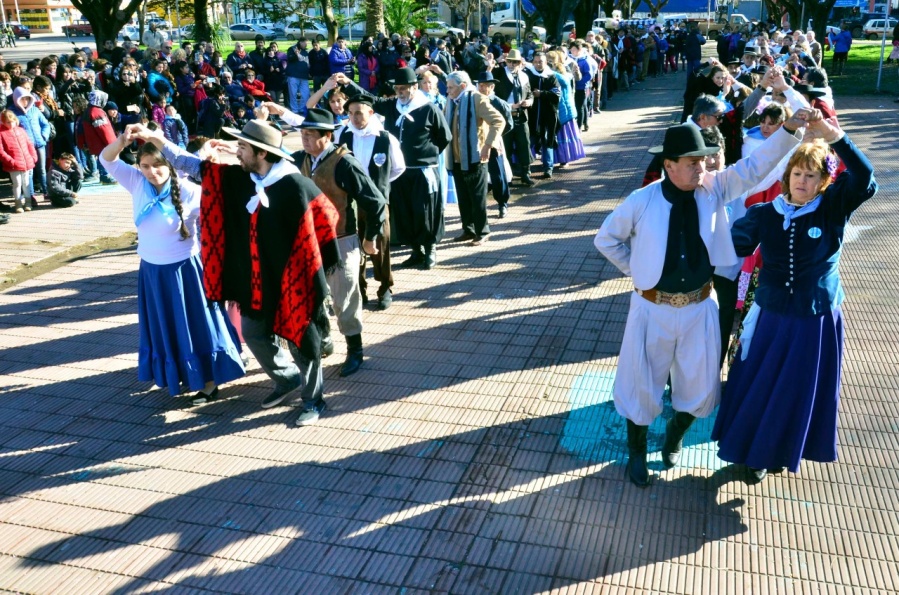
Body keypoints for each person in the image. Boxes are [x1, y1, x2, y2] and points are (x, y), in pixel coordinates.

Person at [593, 111, 810, 488]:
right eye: (692, 162)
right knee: (639, 384)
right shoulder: (641, 200)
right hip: (651, 308)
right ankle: (637, 452)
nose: (701, 166)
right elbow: (606, 239)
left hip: (699, 306)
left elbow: (754, 167)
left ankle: (674, 436)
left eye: (703, 159)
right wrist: (639, 272)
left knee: (701, 388)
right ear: (669, 165)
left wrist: (789, 131)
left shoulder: (714, 189)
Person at [135, 119, 341, 425]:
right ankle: (286, 379)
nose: (237, 152)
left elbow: (327, 216)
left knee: (301, 338)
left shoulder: (294, 184)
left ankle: (314, 400)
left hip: (291, 279)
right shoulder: (243, 178)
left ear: (261, 153)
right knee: (253, 332)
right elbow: (190, 165)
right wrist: (157, 138)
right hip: (255, 280)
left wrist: (312, 261)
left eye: (243, 147)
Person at [713, 116, 877, 482]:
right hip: (771, 315)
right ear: (787, 176)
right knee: (759, 384)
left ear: (824, 182)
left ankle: (780, 450)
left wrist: (837, 138)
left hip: (814, 318)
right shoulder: (764, 215)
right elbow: (722, 246)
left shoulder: (833, 209)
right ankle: (751, 453)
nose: (803, 182)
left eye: (812, 176)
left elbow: (865, 179)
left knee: (794, 391)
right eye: (798, 174)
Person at [99, 127, 245, 404]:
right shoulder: (136, 182)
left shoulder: (190, 191)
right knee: (166, 327)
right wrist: (122, 140)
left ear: (168, 165)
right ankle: (177, 373)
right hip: (152, 272)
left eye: (157, 166)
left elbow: (217, 225)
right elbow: (106, 160)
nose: (151, 172)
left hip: (185, 272)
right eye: (145, 166)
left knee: (195, 327)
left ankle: (210, 381)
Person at [290, 108, 388, 377]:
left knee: (344, 298)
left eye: (310, 135)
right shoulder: (300, 159)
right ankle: (324, 340)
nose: (305, 140)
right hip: (309, 242)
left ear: (327, 136)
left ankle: (355, 350)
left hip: (341, 240)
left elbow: (376, 201)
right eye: (303, 134)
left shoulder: (344, 162)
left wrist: (369, 239)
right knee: (313, 297)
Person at [335, 68, 452, 270]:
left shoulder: (428, 108)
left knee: (424, 211)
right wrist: (347, 83)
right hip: (399, 171)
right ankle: (416, 250)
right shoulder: (392, 106)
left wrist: (427, 153)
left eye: (404, 88)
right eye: (397, 88)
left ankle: (430, 248)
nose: (400, 91)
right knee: (404, 212)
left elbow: (444, 137)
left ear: (415, 87)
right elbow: (370, 99)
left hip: (423, 169)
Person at [331, 95, 405, 310]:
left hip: (376, 203)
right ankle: (360, 289)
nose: (354, 117)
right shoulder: (342, 135)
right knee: (353, 247)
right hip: (349, 202)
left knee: (380, 245)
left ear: (371, 113)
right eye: (351, 113)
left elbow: (398, 168)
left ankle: (385, 289)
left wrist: (376, 189)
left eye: (359, 112)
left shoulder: (385, 138)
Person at [444, 71, 505, 245]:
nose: (447, 90)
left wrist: (487, 145)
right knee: (463, 196)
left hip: (475, 157)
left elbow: (498, 121)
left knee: (477, 197)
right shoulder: (451, 100)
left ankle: (483, 231)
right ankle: (468, 229)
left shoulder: (477, 98)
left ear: (462, 86)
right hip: (456, 158)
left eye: (450, 87)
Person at [491, 49, 534, 186]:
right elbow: (493, 96)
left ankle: (525, 174)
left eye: (515, 62)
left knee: (524, 145)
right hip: (505, 116)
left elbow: (530, 93)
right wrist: (509, 106)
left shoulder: (524, 76)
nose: (511, 64)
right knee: (506, 147)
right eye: (509, 61)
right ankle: (507, 176)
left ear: (520, 63)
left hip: (521, 116)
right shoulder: (499, 74)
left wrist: (529, 101)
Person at [475, 72, 512, 218]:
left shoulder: (499, 103)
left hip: (495, 143)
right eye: (480, 85)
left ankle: (502, 203)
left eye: (486, 86)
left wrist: (496, 138)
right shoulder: (475, 100)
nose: (482, 88)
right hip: (478, 142)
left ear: (492, 86)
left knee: (498, 174)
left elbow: (508, 124)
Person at [525, 51, 561, 180]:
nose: (538, 64)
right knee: (529, 141)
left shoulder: (551, 76)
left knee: (547, 141)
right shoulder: (528, 75)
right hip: (531, 115)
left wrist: (542, 94)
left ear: (545, 62)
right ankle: (526, 167)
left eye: (541, 61)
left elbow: (557, 94)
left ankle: (548, 167)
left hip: (547, 115)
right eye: (535, 62)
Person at [0, 109, 38, 213]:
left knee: (26, 183)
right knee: (17, 183)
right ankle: (18, 203)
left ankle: (28, 202)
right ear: (3, 122)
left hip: (26, 161)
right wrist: (11, 161)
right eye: (8, 122)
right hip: (14, 164)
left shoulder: (21, 130)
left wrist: (33, 156)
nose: (11, 124)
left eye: (13, 121)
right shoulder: (1, 133)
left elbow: (29, 144)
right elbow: (1, 151)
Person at [285, 37, 312, 115]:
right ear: (300, 42)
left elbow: (307, 63)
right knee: (293, 94)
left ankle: (302, 108)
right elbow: (289, 59)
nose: (306, 45)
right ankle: (295, 109)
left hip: (304, 76)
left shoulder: (306, 52)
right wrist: (296, 54)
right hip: (293, 76)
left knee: (305, 93)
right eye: (305, 43)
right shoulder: (292, 49)